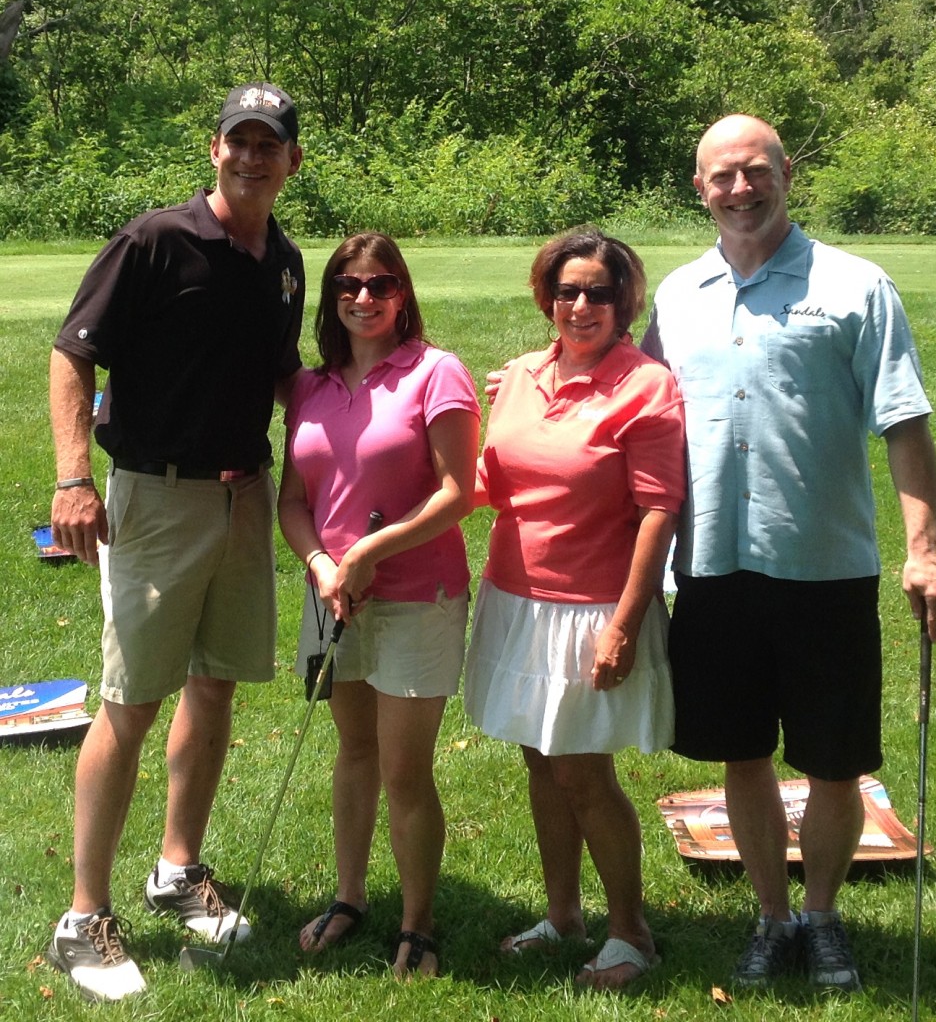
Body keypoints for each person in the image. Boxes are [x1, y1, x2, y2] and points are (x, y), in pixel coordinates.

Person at [639, 114, 936, 992]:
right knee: (740, 752)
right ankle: (769, 918)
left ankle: (820, 919)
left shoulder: (855, 286)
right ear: (697, 187)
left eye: (755, 170)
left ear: (786, 173)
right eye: (721, 175)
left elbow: (904, 421)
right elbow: (626, 404)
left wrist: (923, 549)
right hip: (709, 562)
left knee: (833, 759)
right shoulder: (675, 294)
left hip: (822, 562)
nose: (740, 188)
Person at [45, 82, 304, 1002]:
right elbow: (74, 352)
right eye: (237, 141)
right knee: (130, 699)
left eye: (267, 145)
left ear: (290, 162)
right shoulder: (155, 239)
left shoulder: (284, 259)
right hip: (154, 498)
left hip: (243, 498)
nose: (250, 157)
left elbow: (284, 378)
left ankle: (177, 868)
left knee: (215, 683)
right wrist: (74, 478)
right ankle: (82, 918)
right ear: (214, 149)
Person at [465, 231, 686, 990]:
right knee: (538, 759)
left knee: (584, 775)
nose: (581, 305)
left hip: (591, 607)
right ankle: (562, 915)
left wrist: (625, 623)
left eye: (598, 291)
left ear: (624, 300)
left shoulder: (645, 385)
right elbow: (491, 483)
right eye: (567, 291)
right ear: (546, 298)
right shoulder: (522, 375)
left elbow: (658, 511)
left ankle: (631, 933)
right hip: (514, 597)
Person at [278, 232, 479, 979]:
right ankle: (350, 896)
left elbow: (458, 493)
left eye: (382, 283)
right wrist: (326, 562)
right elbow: (293, 501)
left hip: (414, 598)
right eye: (349, 285)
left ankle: (418, 923)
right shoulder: (309, 386)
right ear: (331, 299)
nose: (365, 297)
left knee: (404, 769)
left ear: (404, 294)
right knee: (353, 752)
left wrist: (367, 554)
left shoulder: (436, 372)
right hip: (331, 596)